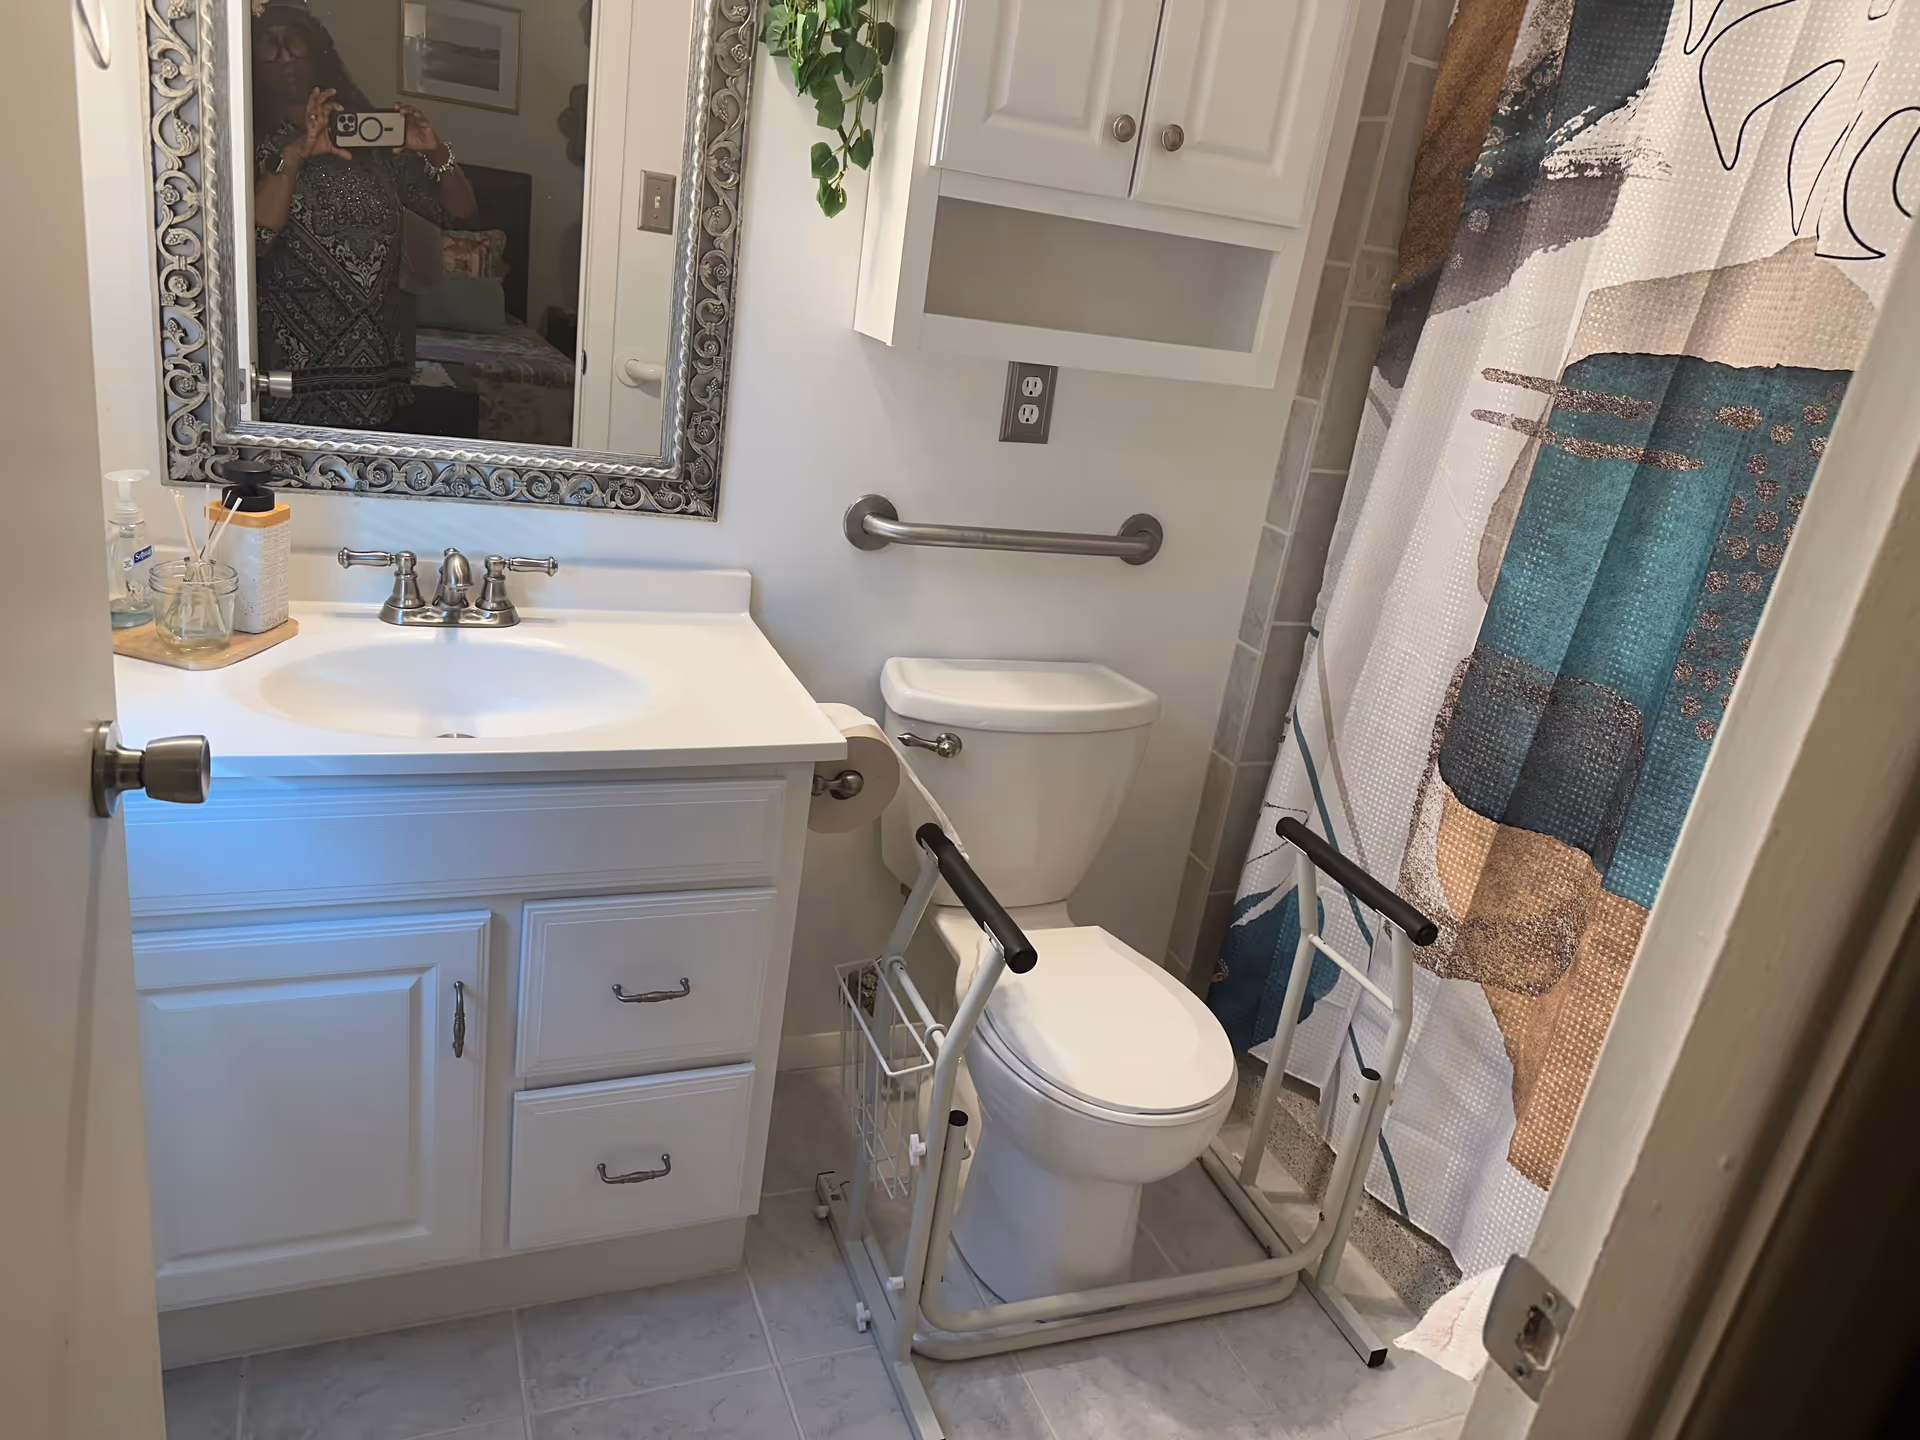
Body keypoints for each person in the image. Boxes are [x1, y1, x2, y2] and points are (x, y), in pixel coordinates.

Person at [252, 3, 478, 430]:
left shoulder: (369, 140)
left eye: (295, 43)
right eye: (269, 46)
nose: (285, 58)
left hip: (375, 367)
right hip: (293, 374)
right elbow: (256, 240)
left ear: (316, 51)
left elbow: (458, 213)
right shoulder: (250, 142)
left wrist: (436, 152)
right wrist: (294, 156)